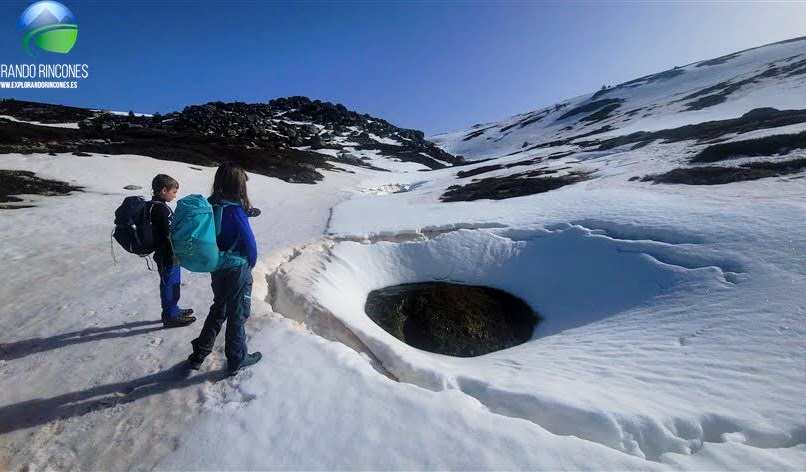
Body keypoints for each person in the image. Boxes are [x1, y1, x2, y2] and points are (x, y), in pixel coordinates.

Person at [187, 163, 262, 376]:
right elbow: (249, 241)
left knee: (219, 307)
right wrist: (251, 262)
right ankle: (238, 359)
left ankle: (199, 354)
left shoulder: (211, 205)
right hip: (237, 268)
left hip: (217, 265)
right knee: (237, 313)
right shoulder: (235, 210)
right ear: (238, 185)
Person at [151, 174, 197, 328]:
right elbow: (167, 234)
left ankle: (173, 310)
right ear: (164, 190)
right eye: (174, 192)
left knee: (173, 283)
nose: (175, 195)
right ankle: (170, 316)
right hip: (167, 254)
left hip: (167, 254)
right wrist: (173, 254)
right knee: (169, 285)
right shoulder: (160, 208)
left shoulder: (157, 205)